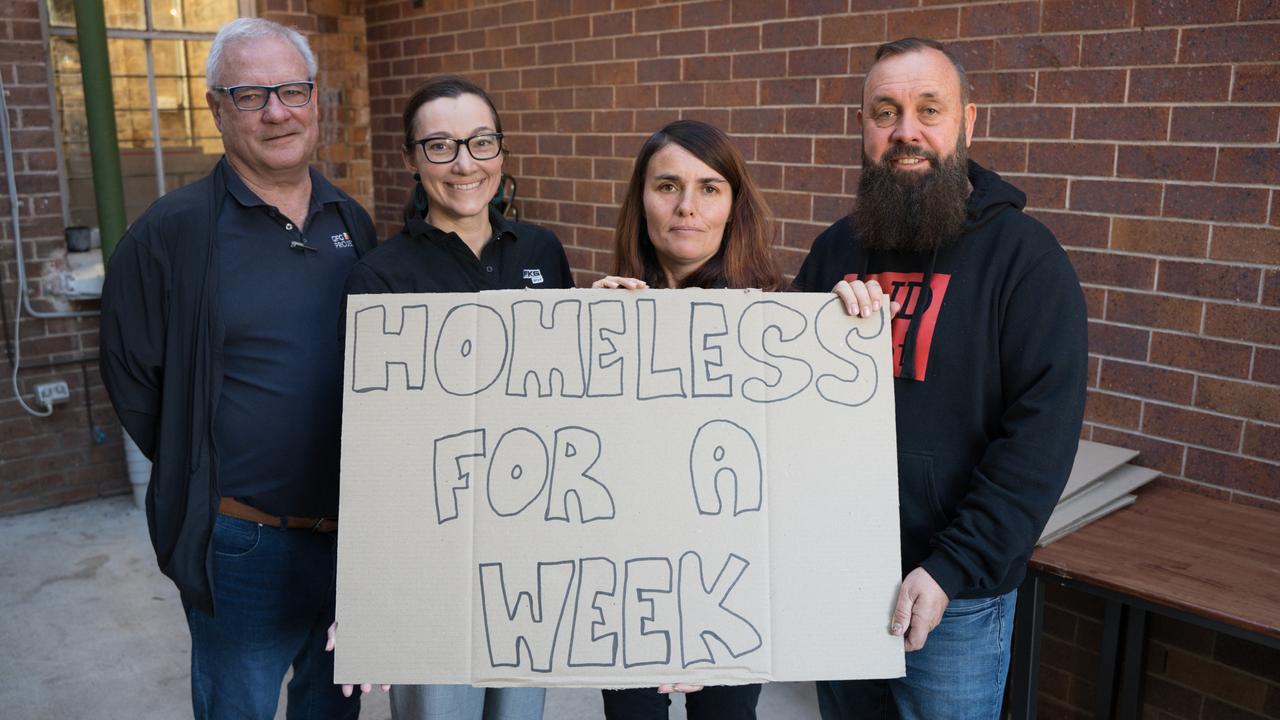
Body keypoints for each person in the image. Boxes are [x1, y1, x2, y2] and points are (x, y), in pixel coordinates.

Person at [792, 37, 1088, 719]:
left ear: (969, 122)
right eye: (885, 111)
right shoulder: (835, 250)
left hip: (955, 596)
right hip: (839, 582)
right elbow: (787, 411)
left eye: (930, 109)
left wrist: (953, 568)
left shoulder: (1027, 261)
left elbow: (1039, 441)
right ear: (862, 125)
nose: (906, 132)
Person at [99, 17, 377, 720]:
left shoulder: (354, 221)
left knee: (333, 707)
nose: (277, 112)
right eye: (251, 96)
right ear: (217, 108)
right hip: (244, 540)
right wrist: (204, 470)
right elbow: (133, 377)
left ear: (315, 98)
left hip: (357, 536)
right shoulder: (174, 232)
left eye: (291, 90)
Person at [595, 119, 888, 718]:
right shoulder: (600, 313)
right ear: (641, 200)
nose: (686, 207)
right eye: (667, 186)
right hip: (626, 590)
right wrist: (586, 337)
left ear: (733, 206)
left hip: (735, 593)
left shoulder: (784, 324)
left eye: (709, 188)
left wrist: (849, 322)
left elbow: (810, 478)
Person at [339, 75, 573, 720]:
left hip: (529, 545)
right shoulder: (381, 275)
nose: (465, 163)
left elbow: (570, 394)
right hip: (430, 553)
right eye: (440, 147)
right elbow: (370, 442)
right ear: (410, 160)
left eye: (480, 142)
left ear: (501, 150)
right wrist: (369, 595)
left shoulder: (542, 252)